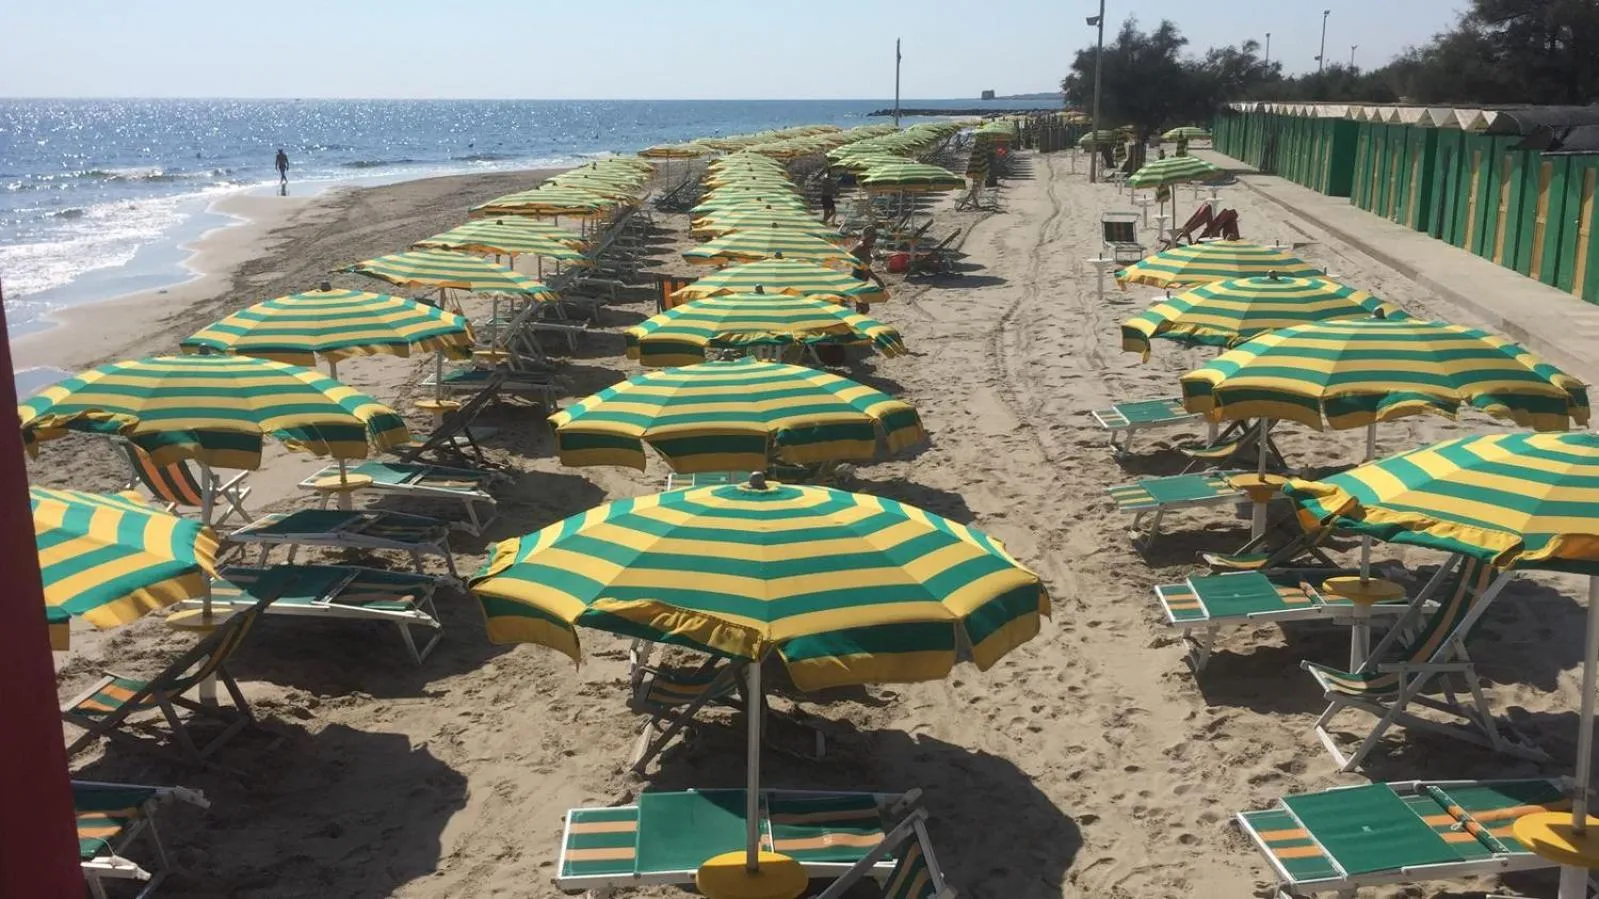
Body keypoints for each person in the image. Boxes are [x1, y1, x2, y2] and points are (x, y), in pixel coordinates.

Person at [850, 224, 886, 313]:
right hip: (859, 277)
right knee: (864, 308)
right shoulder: (861, 246)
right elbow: (863, 265)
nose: (875, 238)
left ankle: (856, 324)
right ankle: (856, 324)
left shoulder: (865, 246)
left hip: (862, 277)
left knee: (861, 307)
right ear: (868, 236)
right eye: (874, 236)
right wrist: (877, 279)